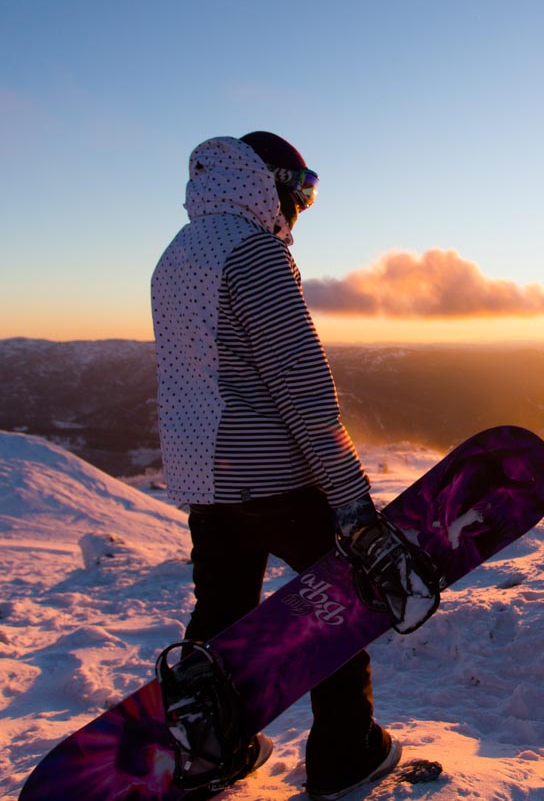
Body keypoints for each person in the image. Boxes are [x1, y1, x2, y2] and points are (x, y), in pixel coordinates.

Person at [151, 132, 399, 798]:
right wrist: (349, 498)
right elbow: (301, 384)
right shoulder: (253, 253)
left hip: (211, 483)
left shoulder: (175, 256)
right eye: (303, 191)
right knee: (336, 610)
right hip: (280, 480)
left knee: (222, 615)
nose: (300, 209)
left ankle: (208, 750)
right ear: (274, 184)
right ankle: (345, 755)